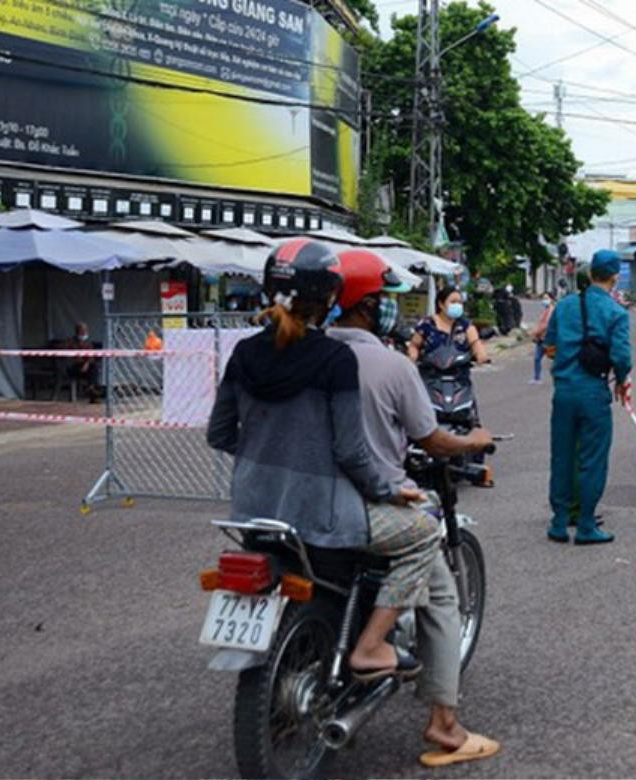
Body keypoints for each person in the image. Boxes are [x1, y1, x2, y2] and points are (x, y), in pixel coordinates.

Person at [206, 238, 426, 680]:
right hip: (321, 517)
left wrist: (266, 453)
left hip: (253, 513)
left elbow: (220, 433)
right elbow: (350, 451)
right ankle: (369, 647)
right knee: (423, 535)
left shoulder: (244, 353)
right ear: (329, 297)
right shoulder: (334, 359)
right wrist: (390, 491)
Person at [326, 249, 500, 767]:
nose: (390, 311)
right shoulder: (391, 363)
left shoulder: (304, 354)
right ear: (365, 306)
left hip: (299, 506)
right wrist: (474, 444)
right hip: (369, 502)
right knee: (440, 590)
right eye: (382, 301)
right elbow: (429, 439)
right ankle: (444, 724)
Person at [544, 249, 633, 545]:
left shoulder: (565, 306)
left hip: (564, 391)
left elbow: (550, 346)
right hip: (594, 392)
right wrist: (621, 381)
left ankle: (558, 522)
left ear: (590, 272)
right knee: (592, 459)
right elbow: (621, 356)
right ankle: (585, 525)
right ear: (614, 276)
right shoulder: (616, 312)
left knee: (562, 456)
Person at [408, 287, 490, 366]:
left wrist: (481, 355)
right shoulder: (427, 324)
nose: (457, 305)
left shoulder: (465, 325)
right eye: (453, 302)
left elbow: (475, 343)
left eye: (460, 302)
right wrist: (413, 357)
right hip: (431, 373)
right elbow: (414, 345)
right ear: (441, 304)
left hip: (459, 373)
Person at [66, 322, 101, 402]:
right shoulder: (70, 342)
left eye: (86, 331)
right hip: (73, 367)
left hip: (86, 368)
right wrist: (82, 362)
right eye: (83, 331)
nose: (85, 333)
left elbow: (91, 356)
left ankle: (91, 389)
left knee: (94, 367)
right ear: (77, 332)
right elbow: (71, 357)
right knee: (92, 370)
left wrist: (87, 364)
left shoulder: (88, 343)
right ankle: (92, 391)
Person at [529, 292, 555, 384]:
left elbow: (546, 325)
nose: (544, 300)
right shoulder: (546, 310)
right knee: (537, 358)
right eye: (543, 298)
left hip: (547, 338)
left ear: (552, 299)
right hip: (541, 338)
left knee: (552, 358)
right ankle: (537, 377)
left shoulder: (551, 310)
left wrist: (535, 332)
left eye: (546, 298)